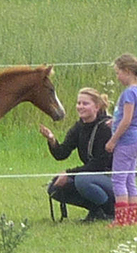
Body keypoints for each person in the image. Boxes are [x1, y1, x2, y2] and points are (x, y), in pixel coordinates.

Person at [38, 87, 115, 222]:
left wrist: (68, 173)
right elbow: (61, 154)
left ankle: (109, 210)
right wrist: (51, 139)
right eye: (79, 103)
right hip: (92, 176)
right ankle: (96, 211)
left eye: (85, 103)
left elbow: (98, 165)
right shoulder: (79, 126)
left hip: (112, 178)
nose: (80, 107)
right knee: (54, 187)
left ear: (96, 107)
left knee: (82, 181)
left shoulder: (105, 128)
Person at [105, 53, 137, 226]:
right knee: (130, 179)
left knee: (118, 180)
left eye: (118, 73)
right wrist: (114, 122)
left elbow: (127, 120)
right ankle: (132, 218)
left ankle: (121, 220)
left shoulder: (129, 93)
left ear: (128, 71)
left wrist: (113, 140)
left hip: (126, 141)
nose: (117, 77)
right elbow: (130, 117)